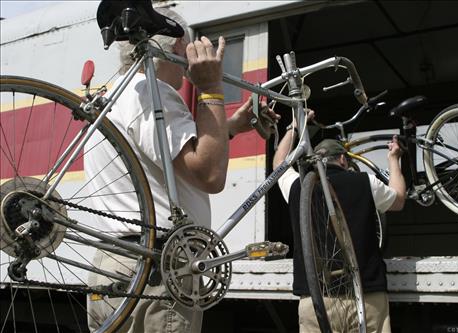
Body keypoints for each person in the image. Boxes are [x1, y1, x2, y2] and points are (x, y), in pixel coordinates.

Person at [85, 6, 277, 333]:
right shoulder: (153, 92)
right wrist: (211, 89)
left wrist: (228, 127)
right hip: (155, 268)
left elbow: (167, 156)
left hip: (113, 264)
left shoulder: (117, 92)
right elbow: (208, 174)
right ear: (177, 47)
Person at [273, 124, 405, 333]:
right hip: (366, 296)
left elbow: (279, 163)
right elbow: (398, 200)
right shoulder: (365, 182)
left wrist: (295, 128)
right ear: (343, 159)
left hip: (316, 301)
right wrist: (394, 160)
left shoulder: (297, 187)